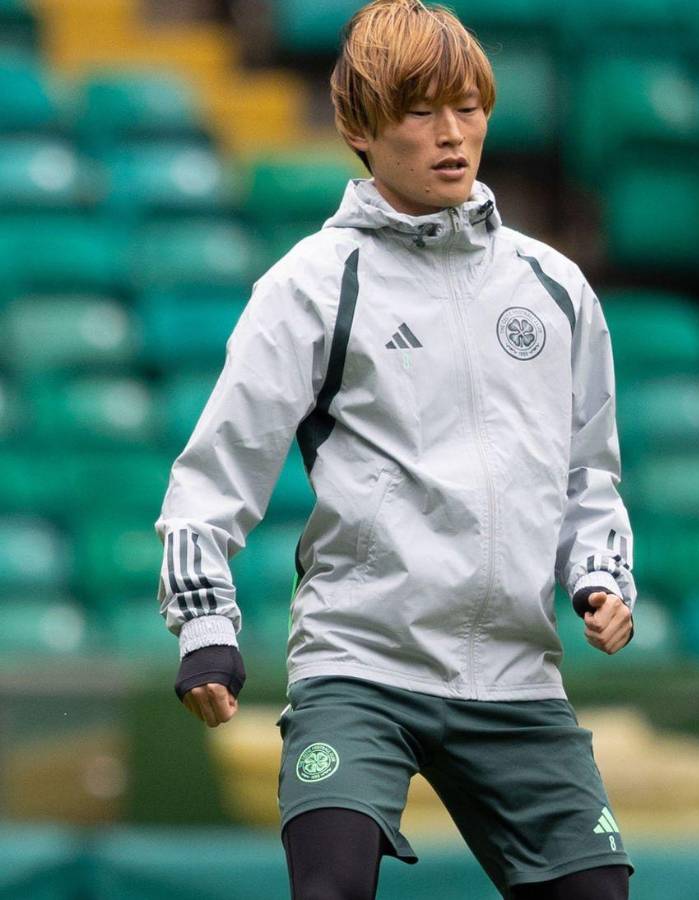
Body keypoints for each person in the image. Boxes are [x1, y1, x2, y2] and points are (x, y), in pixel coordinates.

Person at [153, 1, 637, 897]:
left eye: (469, 108)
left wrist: (600, 577)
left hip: (518, 678)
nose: (452, 135)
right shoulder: (311, 284)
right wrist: (207, 628)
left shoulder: (556, 286)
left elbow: (588, 473)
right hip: (359, 669)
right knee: (329, 888)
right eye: (420, 112)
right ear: (360, 130)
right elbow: (212, 477)